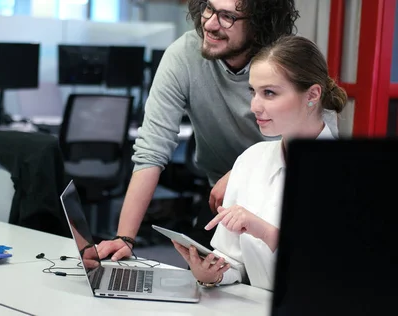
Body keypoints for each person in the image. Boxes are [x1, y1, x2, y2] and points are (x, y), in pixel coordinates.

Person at [97, 0, 301, 261]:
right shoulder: (184, 54)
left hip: (279, 203)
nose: (210, 24)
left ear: (259, 25)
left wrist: (242, 172)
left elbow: (314, 145)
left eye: (227, 16)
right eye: (209, 8)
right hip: (220, 200)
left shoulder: (288, 61)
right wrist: (124, 238)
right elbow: (151, 149)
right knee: (201, 280)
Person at [173, 35, 348, 291]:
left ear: (312, 95)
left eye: (269, 93)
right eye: (253, 92)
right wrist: (213, 273)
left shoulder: (349, 172)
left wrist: (265, 231)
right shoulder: (251, 159)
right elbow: (232, 261)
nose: (254, 106)